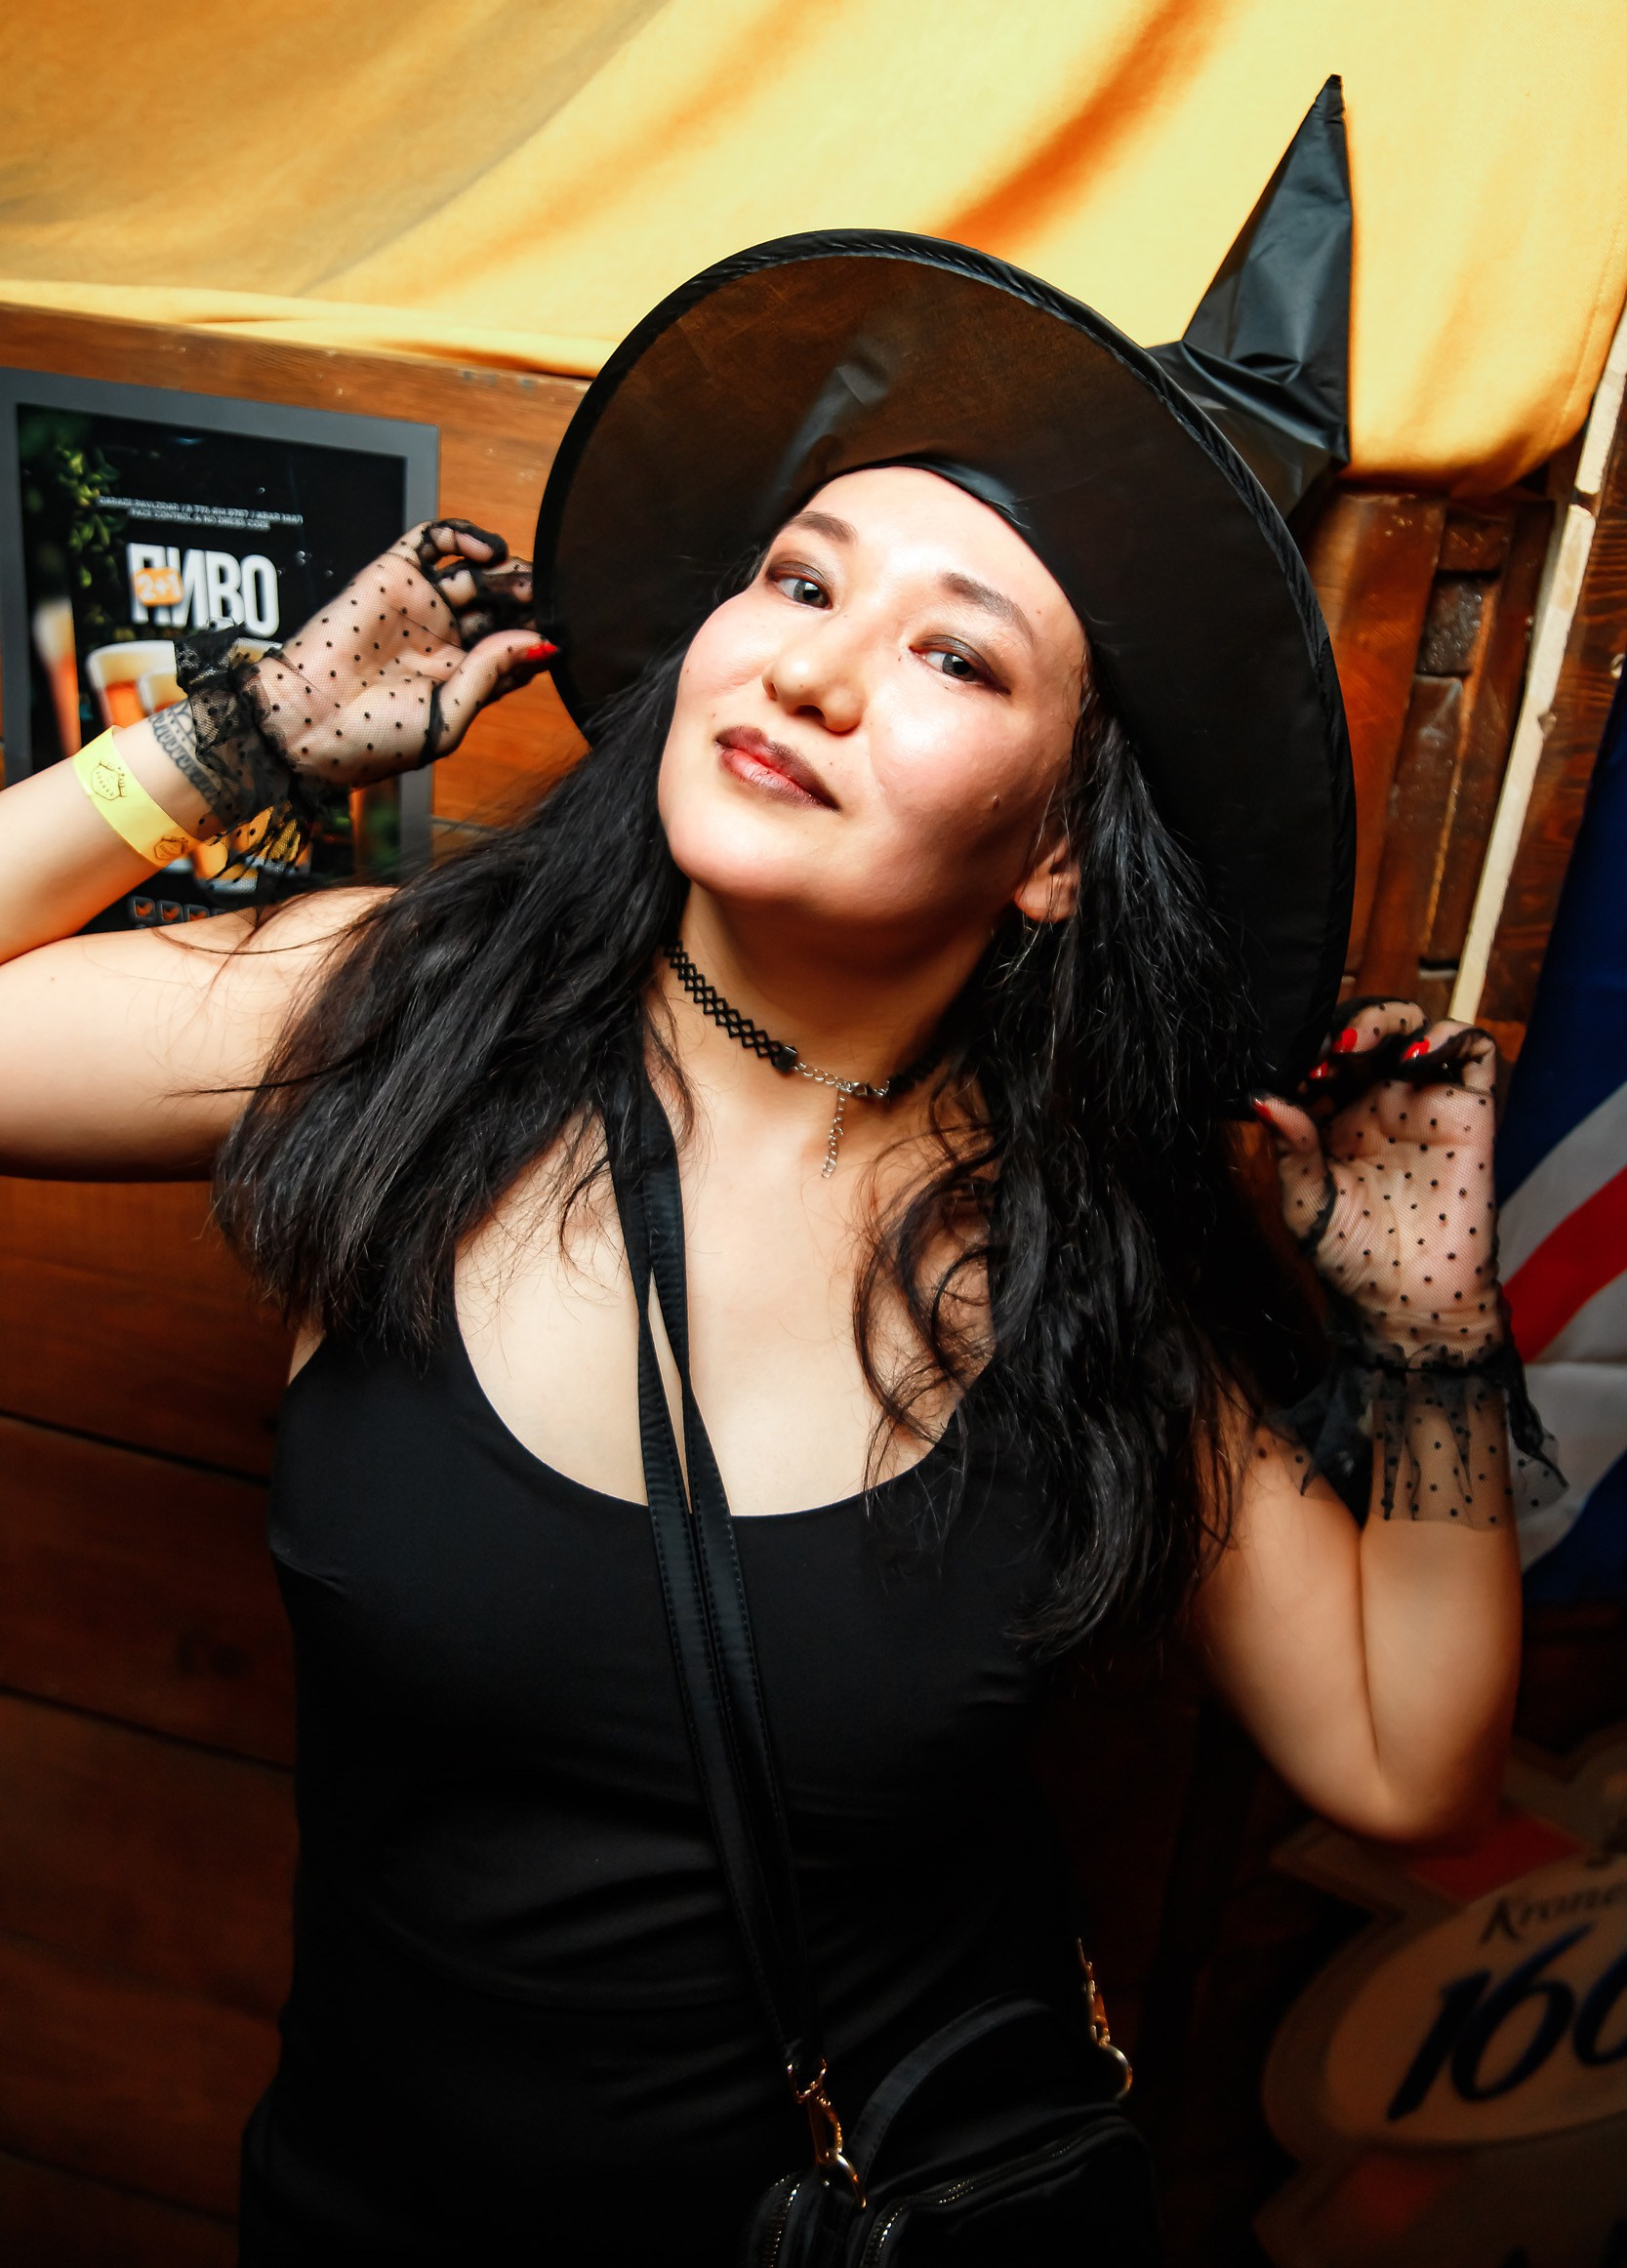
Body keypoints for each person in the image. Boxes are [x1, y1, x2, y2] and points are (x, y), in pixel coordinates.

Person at [0, 214, 1561, 2263]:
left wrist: (1429, 1330)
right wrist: (237, 740)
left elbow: (1403, 1760)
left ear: (1057, 851)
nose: (812, 665)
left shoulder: (1070, 1268)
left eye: (953, 654)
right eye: (801, 579)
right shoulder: (401, 1023)